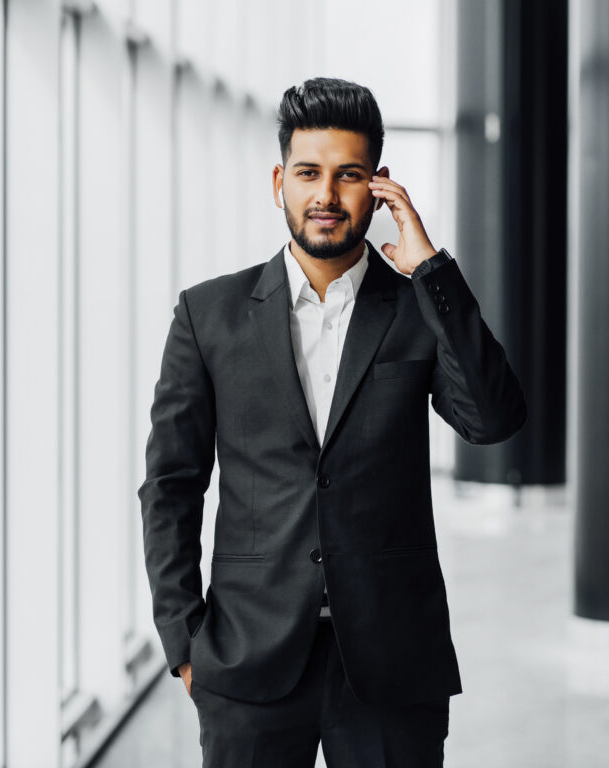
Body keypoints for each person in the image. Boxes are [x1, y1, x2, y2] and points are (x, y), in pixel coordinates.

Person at [138, 76, 527, 768]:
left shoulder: (415, 309)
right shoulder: (209, 317)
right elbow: (170, 485)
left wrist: (432, 270)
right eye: (309, 174)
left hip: (391, 664)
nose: (325, 196)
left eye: (348, 176)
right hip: (246, 658)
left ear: (378, 186)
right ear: (278, 180)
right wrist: (184, 642)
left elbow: (493, 420)